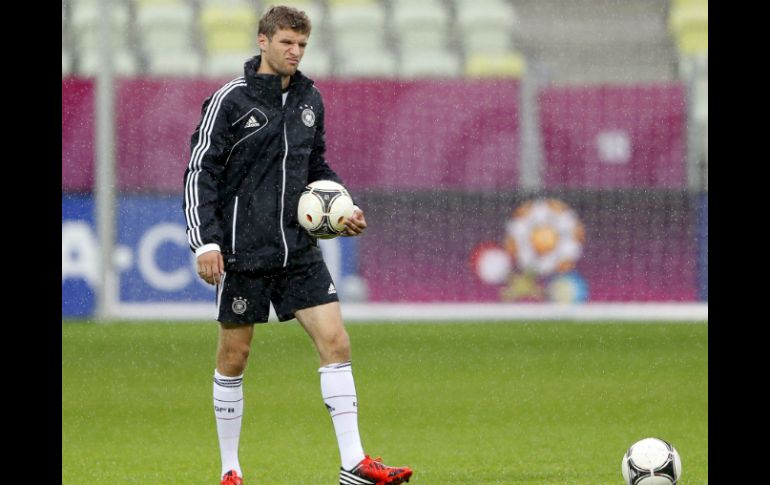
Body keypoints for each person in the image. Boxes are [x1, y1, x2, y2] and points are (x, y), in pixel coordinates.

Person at [182, 6, 413, 485]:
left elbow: (317, 167)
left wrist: (341, 207)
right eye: (287, 42)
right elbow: (200, 173)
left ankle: (354, 463)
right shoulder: (230, 100)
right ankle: (230, 469)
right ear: (263, 41)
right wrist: (205, 242)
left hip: (299, 249)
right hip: (244, 250)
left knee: (336, 342)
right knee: (234, 357)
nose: (295, 52)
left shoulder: (310, 98)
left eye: (302, 45)